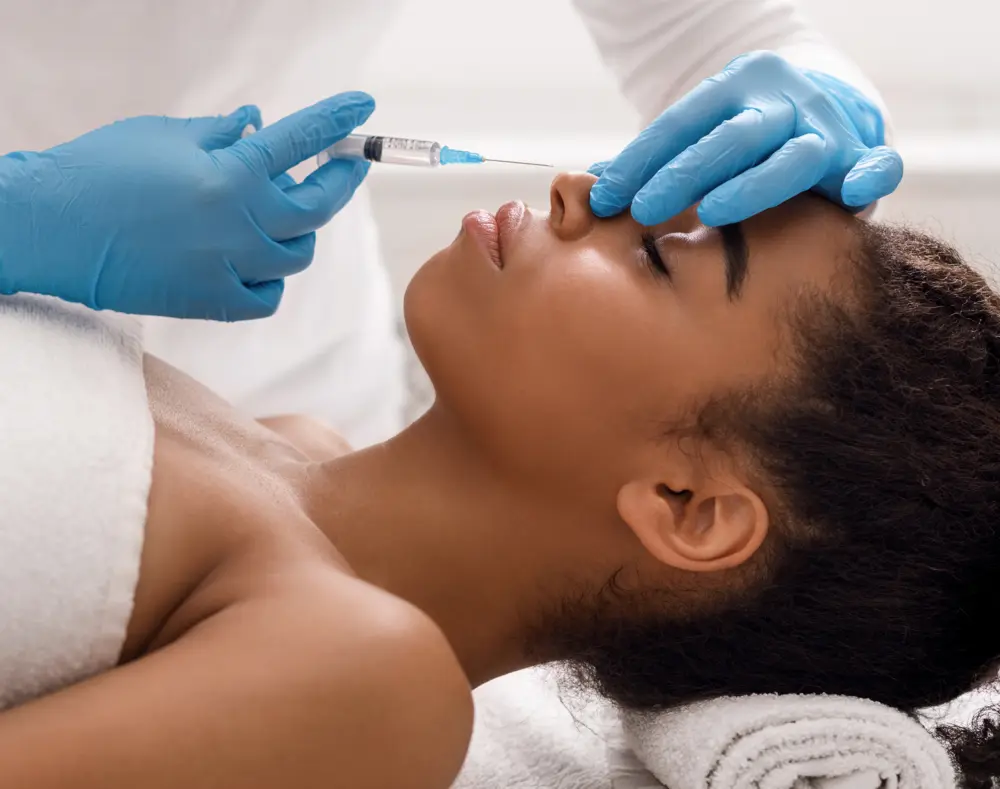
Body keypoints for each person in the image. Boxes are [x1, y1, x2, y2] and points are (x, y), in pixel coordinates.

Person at [1, 171, 997, 788]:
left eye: (656, 255)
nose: (578, 190)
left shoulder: (370, 679)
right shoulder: (286, 445)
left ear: (687, 508)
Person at [0, 1, 901, 449]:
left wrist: (818, 90)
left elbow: (707, 26)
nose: (573, 189)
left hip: (269, 379)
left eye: (660, 259)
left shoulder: (310, 555)